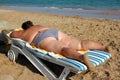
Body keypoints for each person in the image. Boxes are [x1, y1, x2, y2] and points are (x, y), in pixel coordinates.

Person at [10, 21, 112, 70]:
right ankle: (103, 48)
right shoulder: (40, 26)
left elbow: (12, 34)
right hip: (54, 32)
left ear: (25, 28)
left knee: (62, 49)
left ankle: (80, 57)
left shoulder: (24, 32)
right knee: (80, 44)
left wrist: (21, 31)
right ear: (32, 24)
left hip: (42, 38)